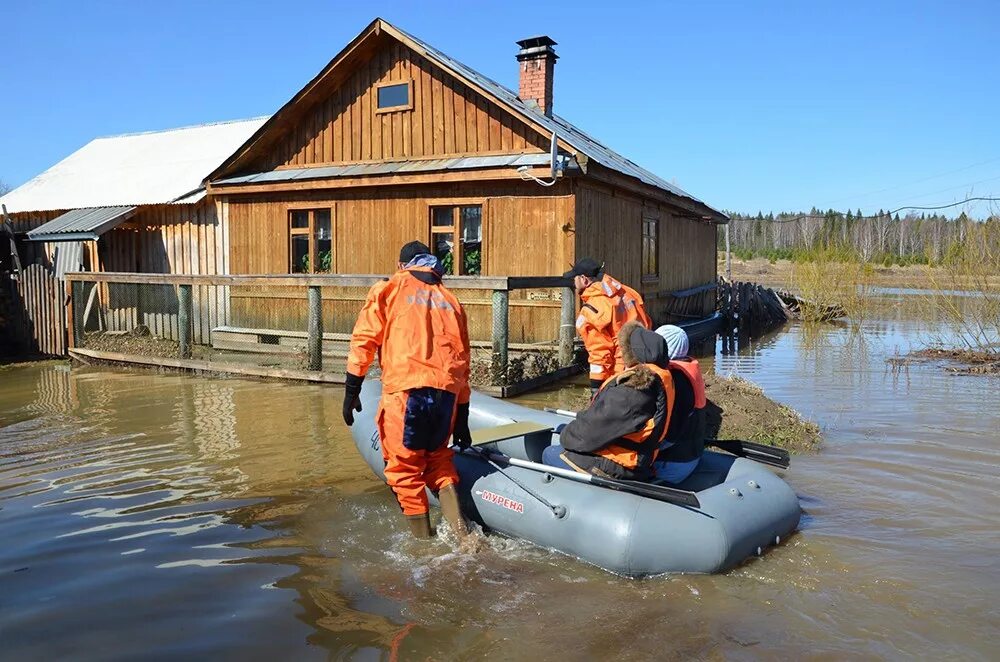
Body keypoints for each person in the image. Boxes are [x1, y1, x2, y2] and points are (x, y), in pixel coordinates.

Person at [342, 240, 482, 549]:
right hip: (446, 397)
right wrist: (463, 417)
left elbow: (364, 340)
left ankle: (423, 547)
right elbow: (463, 362)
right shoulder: (451, 300)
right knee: (439, 463)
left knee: (404, 471)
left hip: (407, 395)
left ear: (402, 264)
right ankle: (463, 538)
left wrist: (352, 390)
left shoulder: (389, 288)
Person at [542, 322, 675, 481]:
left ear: (629, 354)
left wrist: (566, 436)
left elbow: (590, 433)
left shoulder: (632, 392)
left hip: (622, 464)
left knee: (550, 453)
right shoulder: (662, 377)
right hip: (639, 456)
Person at [563, 257, 652, 397]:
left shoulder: (591, 309)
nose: (573, 283)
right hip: (645, 366)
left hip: (621, 374)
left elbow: (599, 354)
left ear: (584, 279)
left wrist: (596, 390)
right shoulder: (628, 292)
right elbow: (646, 323)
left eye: (574, 278)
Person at [652, 325, 707, 485]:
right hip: (691, 455)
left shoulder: (674, 383)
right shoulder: (688, 373)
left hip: (672, 465)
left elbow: (669, 437)